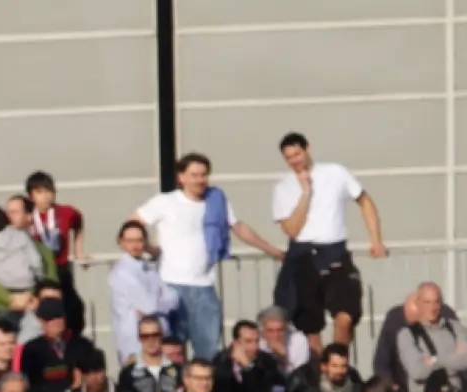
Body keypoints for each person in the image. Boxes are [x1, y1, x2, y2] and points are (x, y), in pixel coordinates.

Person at [131, 153, 283, 359]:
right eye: (194, 175)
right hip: (170, 287)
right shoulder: (164, 202)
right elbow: (134, 223)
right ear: (181, 177)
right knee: (170, 350)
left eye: (204, 175)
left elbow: (238, 227)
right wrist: (150, 248)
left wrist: (273, 251)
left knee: (209, 351)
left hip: (204, 287)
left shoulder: (216, 200)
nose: (200, 180)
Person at [272, 132, 386, 355]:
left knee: (345, 317)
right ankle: (317, 373)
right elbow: (292, 229)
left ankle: (338, 364)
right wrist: (306, 193)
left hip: (335, 251)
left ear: (307, 149)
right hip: (303, 253)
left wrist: (376, 240)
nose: (295, 160)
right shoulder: (282, 187)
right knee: (310, 328)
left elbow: (364, 201)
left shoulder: (335, 172)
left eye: (297, 154)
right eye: (289, 157)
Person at [394, 282, 467, 392]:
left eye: (436, 302)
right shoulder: (407, 335)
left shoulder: (456, 328)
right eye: (427, 302)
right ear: (418, 304)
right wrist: (455, 358)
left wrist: (433, 360)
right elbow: (418, 371)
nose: (432, 308)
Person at [25, 171, 88, 335]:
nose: (45, 196)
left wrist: (78, 251)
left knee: (73, 312)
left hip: (61, 271)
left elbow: (79, 223)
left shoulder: (65, 212)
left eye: (48, 191)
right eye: (39, 192)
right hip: (38, 275)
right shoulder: (27, 217)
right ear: (31, 195)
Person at [109, 219, 177, 360]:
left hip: (157, 333)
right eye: (129, 240)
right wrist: (161, 302)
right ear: (120, 241)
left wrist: (158, 304)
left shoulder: (147, 267)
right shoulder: (122, 273)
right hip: (134, 338)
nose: (135, 245)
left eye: (139, 240)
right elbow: (150, 306)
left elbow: (174, 298)